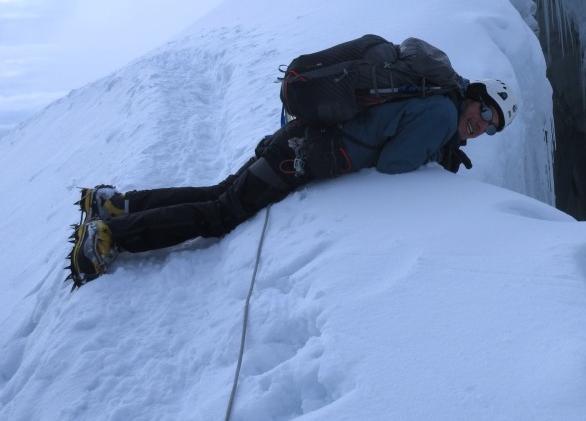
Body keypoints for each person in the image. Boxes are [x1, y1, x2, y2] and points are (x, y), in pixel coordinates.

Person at [67, 78, 518, 289]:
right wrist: (432, 153)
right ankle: (109, 235)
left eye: (492, 126)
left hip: (301, 140)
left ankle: (117, 205)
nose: (481, 125)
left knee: (220, 193)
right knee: (221, 214)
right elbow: (394, 163)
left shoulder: (438, 102)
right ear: (472, 98)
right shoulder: (440, 115)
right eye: (483, 112)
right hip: (300, 155)